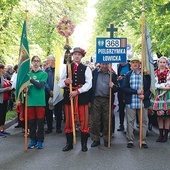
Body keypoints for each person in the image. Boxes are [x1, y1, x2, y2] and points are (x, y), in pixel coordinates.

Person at [58, 47, 92, 152]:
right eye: (75, 54)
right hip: (69, 97)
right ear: (72, 56)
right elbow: (60, 82)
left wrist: (78, 91)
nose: (77, 56)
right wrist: (66, 82)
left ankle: (84, 144)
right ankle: (69, 143)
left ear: (82, 56)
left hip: (82, 97)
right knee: (68, 120)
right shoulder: (67, 67)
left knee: (84, 121)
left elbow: (89, 83)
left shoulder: (86, 68)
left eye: (79, 55)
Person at [122, 56, 151, 148]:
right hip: (131, 102)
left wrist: (145, 95)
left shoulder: (146, 75)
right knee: (130, 121)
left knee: (143, 122)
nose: (135, 64)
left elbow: (149, 89)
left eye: (136, 62)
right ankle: (130, 140)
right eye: (133, 62)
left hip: (142, 102)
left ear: (140, 64)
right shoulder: (128, 75)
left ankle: (143, 140)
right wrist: (136, 91)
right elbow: (124, 88)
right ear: (131, 65)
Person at [90, 63, 119, 147]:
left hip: (107, 99)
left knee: (107, 120)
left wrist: (113, 86)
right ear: (100, 64)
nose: (104, 66)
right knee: (95, 120)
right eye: (103, 64)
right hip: (96, 99)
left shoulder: (112, 75)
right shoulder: (94, 72)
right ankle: (96, 139)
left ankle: (107, 139)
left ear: (109, 65)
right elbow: (90, 86)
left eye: (106, 64)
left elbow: (117, 87)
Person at [26, 56, 48, 149]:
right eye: (34, 61)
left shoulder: (43, 74)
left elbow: (40, 85)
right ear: (32, 62)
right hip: (30, 101)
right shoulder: (27, 74)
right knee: (31, 123)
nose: (36, 63)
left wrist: (30, 79)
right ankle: (32, 140)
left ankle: (40, 141)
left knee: (40, 122)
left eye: (37, 61)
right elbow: (24, 87)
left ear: (40, 63)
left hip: (40, 102)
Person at [151, 56, 170, 142]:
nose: (162, 64)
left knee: (167, 116)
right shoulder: (155, 73)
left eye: (164, 62)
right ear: (158, 63)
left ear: (166, 63)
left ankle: (165, 136)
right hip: (158, 95)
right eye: (160, 62)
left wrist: (163, 90)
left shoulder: (169, 72)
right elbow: (154, 84)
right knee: (159, 117)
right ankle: (160, 135)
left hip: (167, 96)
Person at [117, 62, 131, 131]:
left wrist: (124, 77)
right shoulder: (119, 66)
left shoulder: (129, 65)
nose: (121, 62)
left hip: (128, 90)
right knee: (121, 107)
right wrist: (118, 78)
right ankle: (121, 124)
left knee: (129, 108)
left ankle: (129, 126)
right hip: (121, 89)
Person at [0, 63, 12, 136]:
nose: (5, 70)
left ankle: (2, 129)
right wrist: (6, 89)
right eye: (3, 68)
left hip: (5, 99)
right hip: (0, 99)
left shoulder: (3, 77)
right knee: (0, 115)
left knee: (3, 114)